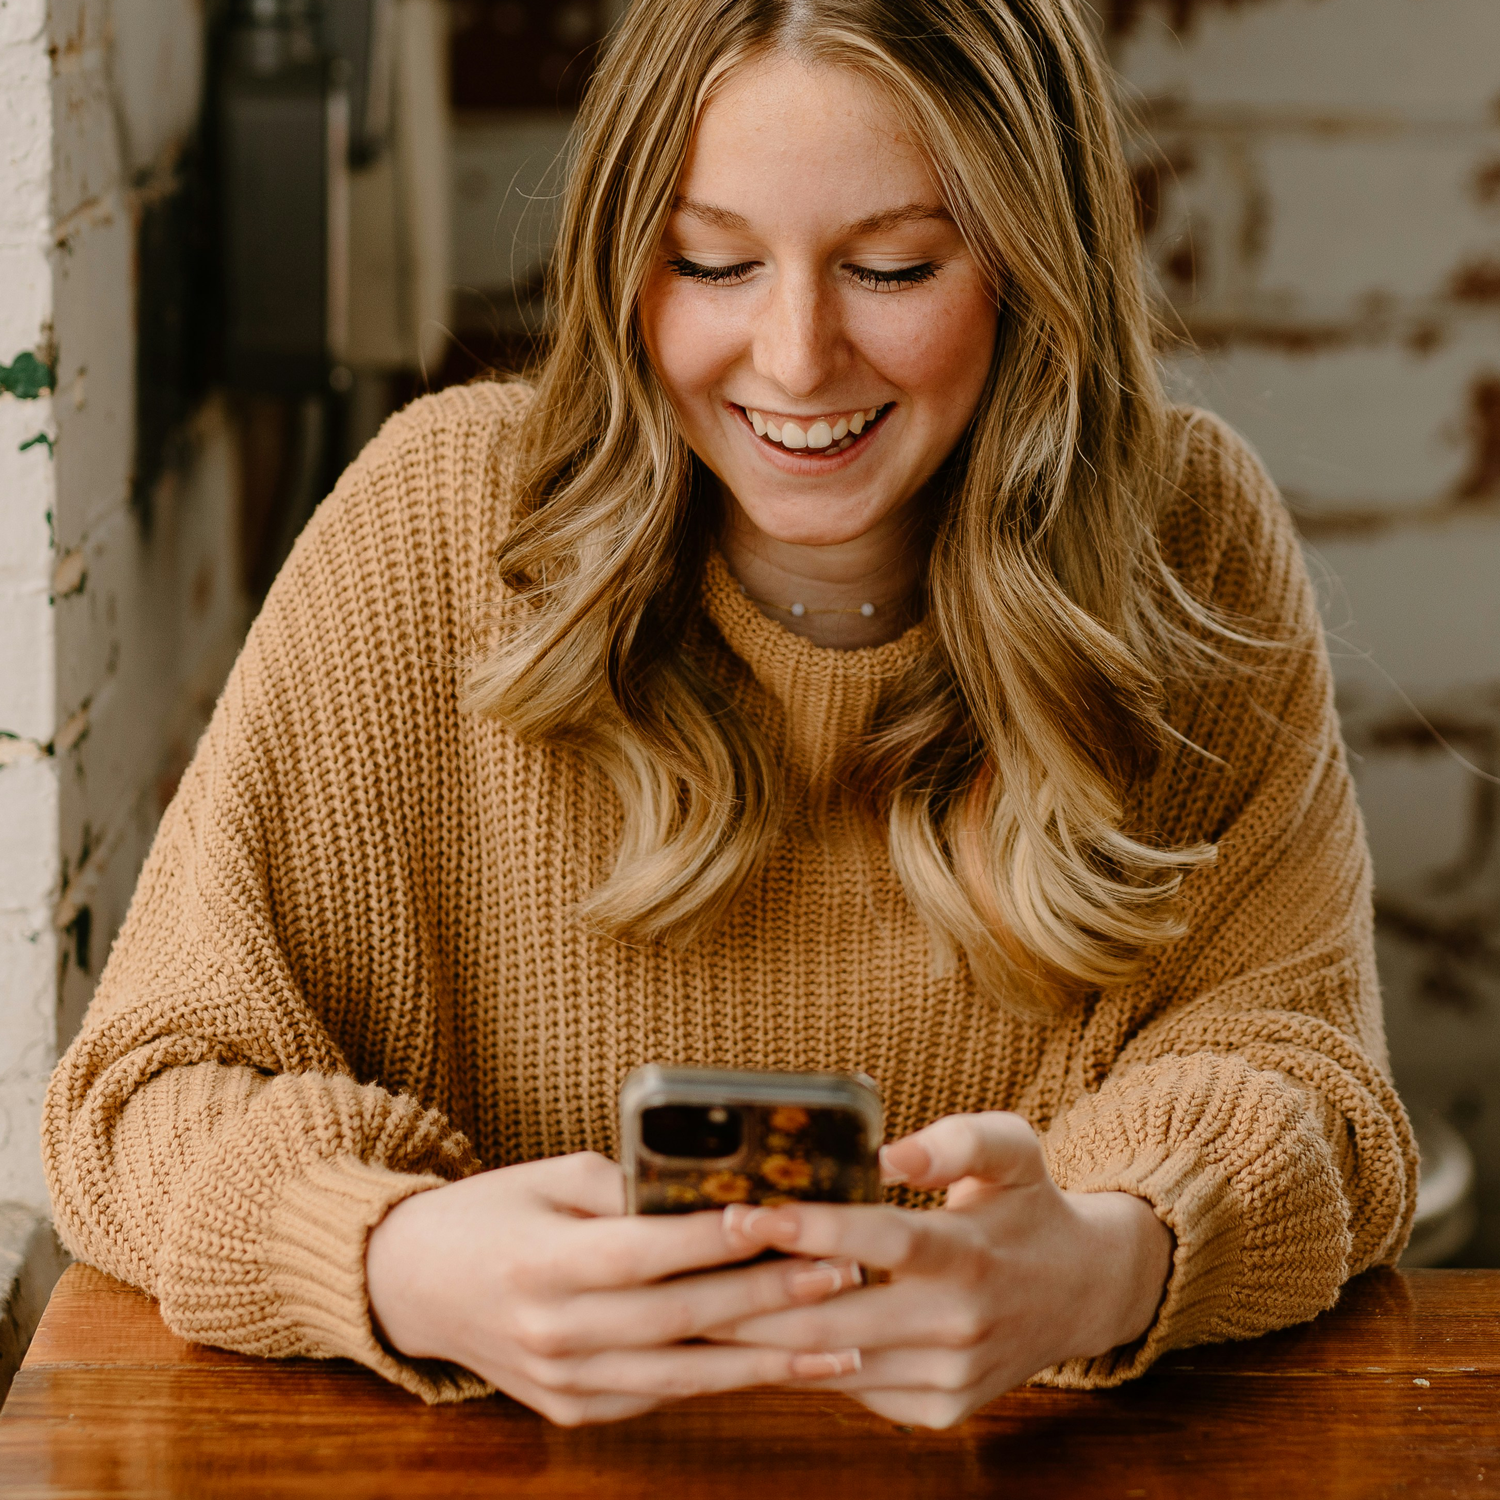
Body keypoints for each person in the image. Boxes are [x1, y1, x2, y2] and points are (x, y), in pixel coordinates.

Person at [43, 0, 1416, 1431]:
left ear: (1032, 262)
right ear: (626, 258)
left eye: (893, 267)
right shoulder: (432, 528)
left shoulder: (1188, 542)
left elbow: (1309, 1085)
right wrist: (397, 1261)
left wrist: (1108, 1261)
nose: (798, 355)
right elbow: (139, 1097)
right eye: (712, 262)